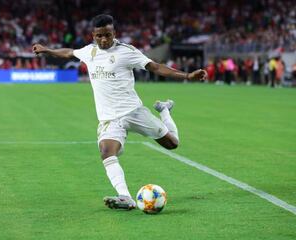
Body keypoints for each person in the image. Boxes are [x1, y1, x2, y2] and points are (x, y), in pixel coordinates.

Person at [32, 14, 207, 210]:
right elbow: (69, 53)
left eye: (107, 35)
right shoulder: (89, 51)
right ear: (93, 35)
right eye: (99, 36)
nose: (104, 40)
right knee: (106, 152)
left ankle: (164, 111)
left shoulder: (127, 52)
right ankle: (126, 197)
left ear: (114, 33)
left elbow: (155, 67)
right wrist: (47, 50)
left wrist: (187, 75)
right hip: (110, 119)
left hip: (134, 112)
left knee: (172, 144)